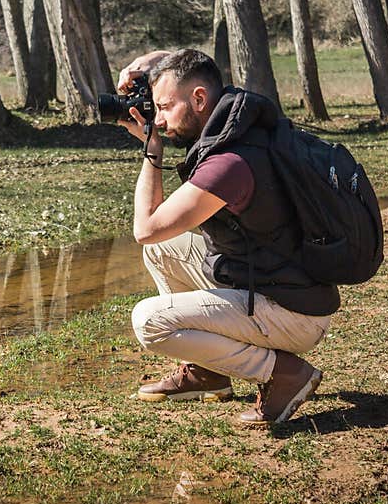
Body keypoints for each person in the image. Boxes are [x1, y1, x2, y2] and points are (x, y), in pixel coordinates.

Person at [116, 48, 338, 425]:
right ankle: (208, 371)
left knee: (148, 322)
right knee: (164, 251)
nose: (161, 119)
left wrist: (151, 150)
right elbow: (191, 62)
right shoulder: (236, 118)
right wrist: (143, 66)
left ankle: (282, 372)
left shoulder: (229, 163)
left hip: (292, 314)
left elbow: (145, 228)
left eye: (165, 107)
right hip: (280, 285)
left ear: (199, 99)